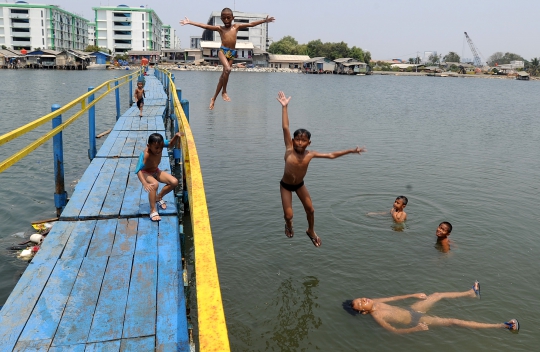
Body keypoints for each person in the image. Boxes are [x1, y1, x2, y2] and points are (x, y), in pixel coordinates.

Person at [277, 91, 366, 247]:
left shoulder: (310, 154)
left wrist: (351, 150)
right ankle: (289, 225)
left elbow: (331, 155)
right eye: (297, 139)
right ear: (292, 141)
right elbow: (285, 127)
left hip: (299, 185)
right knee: (288, 214)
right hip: (285, 186)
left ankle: (310, 230)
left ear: (308, 143)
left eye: (303, 141)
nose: (299, 143)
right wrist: (285, 107)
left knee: (311, 210)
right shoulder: (289, 149)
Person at [180, 8, 275, 109]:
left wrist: (264, 21)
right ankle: (224, 92)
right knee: (228, 69)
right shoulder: (220, 29)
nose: (226, 20)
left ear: (232, 18)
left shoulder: (236, 27)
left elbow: (251, 24)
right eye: (224, 18)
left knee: (223, 76)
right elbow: (205, 26)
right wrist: (190, 22)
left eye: (228, 18)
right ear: (221, 18)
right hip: (222, 51)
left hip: (232, 53)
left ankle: (213, 99)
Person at [344, 281, 519, 334]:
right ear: (363, 311)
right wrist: (416, 328)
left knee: (436, 294)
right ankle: (503, 325)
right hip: (415, 318)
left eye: (360, 298)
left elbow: (393, 297)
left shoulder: (376, 302)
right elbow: (394, 331)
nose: (363, 300)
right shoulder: (376, 315)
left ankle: (470, 293)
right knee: (453, 321)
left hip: (413, 309)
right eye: (360, 303)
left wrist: (412, 295)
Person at [135, 132, 183, 221]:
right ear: (149, 146)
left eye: (161, 147)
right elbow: (138, 170)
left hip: (155, 171)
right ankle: (152, 210)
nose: (159, 150)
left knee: (174, 182)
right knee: (154, 184)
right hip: (145, 172)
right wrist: (145, 183)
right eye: (156, 148)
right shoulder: (145, 154)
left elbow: (171, 144)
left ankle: (159, 197)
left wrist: (176, 136)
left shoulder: (160, 144)